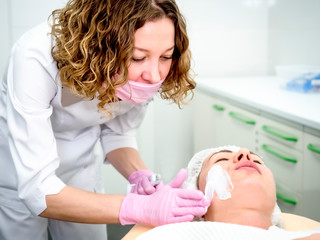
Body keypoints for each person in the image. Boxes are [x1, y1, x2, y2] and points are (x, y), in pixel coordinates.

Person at [0, 1, 209, 239]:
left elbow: (118, 134)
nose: (154, 75)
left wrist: (141, 175)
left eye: (166, 56)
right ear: (101, 47)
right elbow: (37, 191)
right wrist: (136, 208)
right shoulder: (36, 58)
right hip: (22, 173)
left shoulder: (148, 75)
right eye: (138, 57)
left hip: (81, 169)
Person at [123, 146, 320, 240]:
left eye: (258, 161)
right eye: (221, 160)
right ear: (196, 195)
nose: (245, 154)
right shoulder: (170, 235)